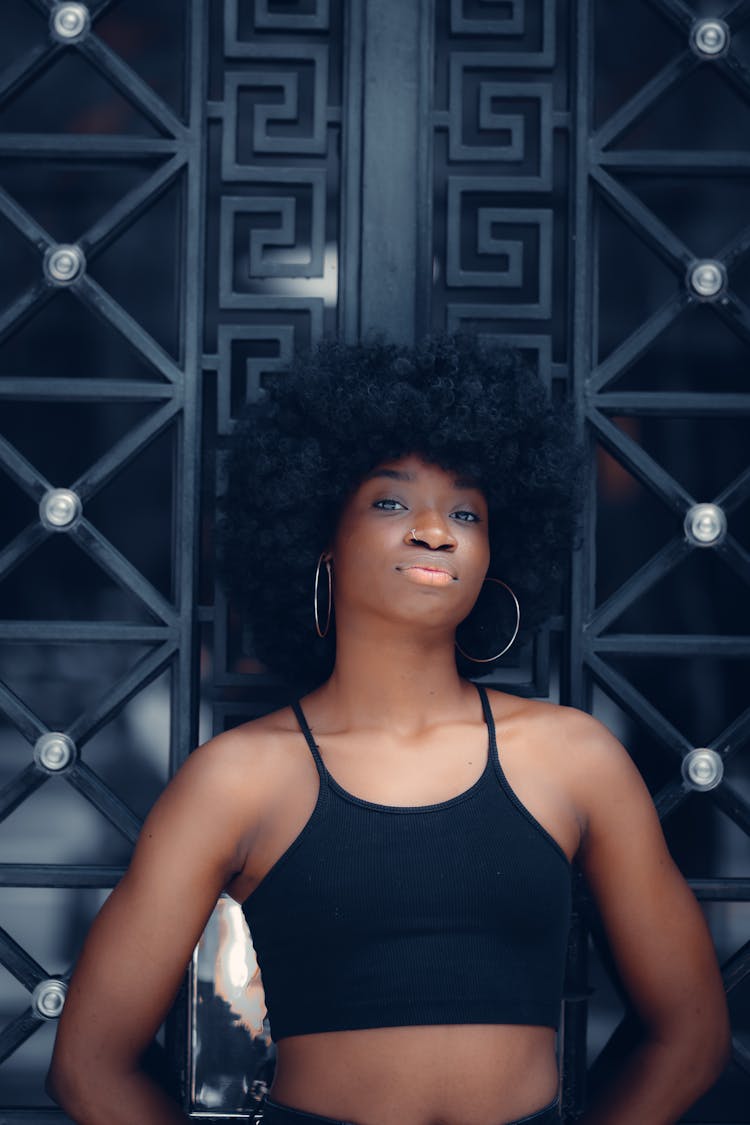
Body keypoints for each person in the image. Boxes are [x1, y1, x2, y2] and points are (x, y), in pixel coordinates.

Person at [48, 337, 729, 1125]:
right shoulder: (237, 777)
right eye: (391, 501)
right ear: (318, 535)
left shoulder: (574, 758)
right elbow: (88, 1066)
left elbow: (691, 1033)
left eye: (467, 511)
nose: (436, 529)